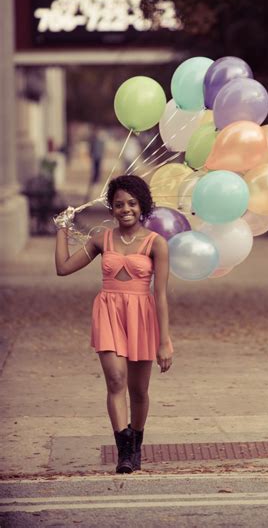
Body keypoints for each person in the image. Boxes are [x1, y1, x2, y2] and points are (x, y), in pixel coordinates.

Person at [55, 175, 173, 474]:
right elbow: (63, 268)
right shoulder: (101, 240)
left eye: (132, 203)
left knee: (139, 390)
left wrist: (165, 340)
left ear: (142, 205)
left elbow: (159, 295)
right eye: (119, 204)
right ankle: (123, 454)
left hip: (141, 315)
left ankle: (136, 444)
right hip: (108, 312)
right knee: (116, 380)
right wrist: (62, 230)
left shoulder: (156, 244)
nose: (125, 209)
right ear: (112, 209)